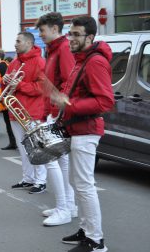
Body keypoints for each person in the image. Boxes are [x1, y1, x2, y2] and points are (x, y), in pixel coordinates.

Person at [52, 16, 114, 252]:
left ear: (90, 37)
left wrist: (69, 105)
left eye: (77, 35)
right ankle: (86, 229)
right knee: (77, 182)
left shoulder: (94, 62)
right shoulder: (82, 59)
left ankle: (96, 241)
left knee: (84, 185)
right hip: (78, 129)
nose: (71, 39)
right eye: (71, 34)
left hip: (87, 130)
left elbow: (105, 101)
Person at [35, 12, 77, 226]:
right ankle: (69, 205)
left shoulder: (62, 49)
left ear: (54, 28)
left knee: (50, 160)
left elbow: (70, 83)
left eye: (42, 30)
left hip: (57, 114)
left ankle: (64, 208)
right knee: (61, 161)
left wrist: (55, 106)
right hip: (53, 112)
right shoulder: (54, 49)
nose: (40, 34)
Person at [4, 32, 47, 194]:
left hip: (33, 112)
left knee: (36, 147)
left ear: (29, 43)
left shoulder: (39, 62)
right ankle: (28, 178)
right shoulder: (14, 62)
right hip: (15, 112)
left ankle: (41, 180)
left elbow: (42, 88)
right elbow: (6, 88)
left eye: (18, 41)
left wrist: (20, 85)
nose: (15, 44)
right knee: (23, 149)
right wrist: (5, 81)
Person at [0, 49, 17, 150]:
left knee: (8, 120)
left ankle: (14, 142)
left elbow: (4, 80)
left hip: (3, 94)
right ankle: (13, 141)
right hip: (1, 94)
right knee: (7, 120)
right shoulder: (0, 64)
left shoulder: (2, 65)